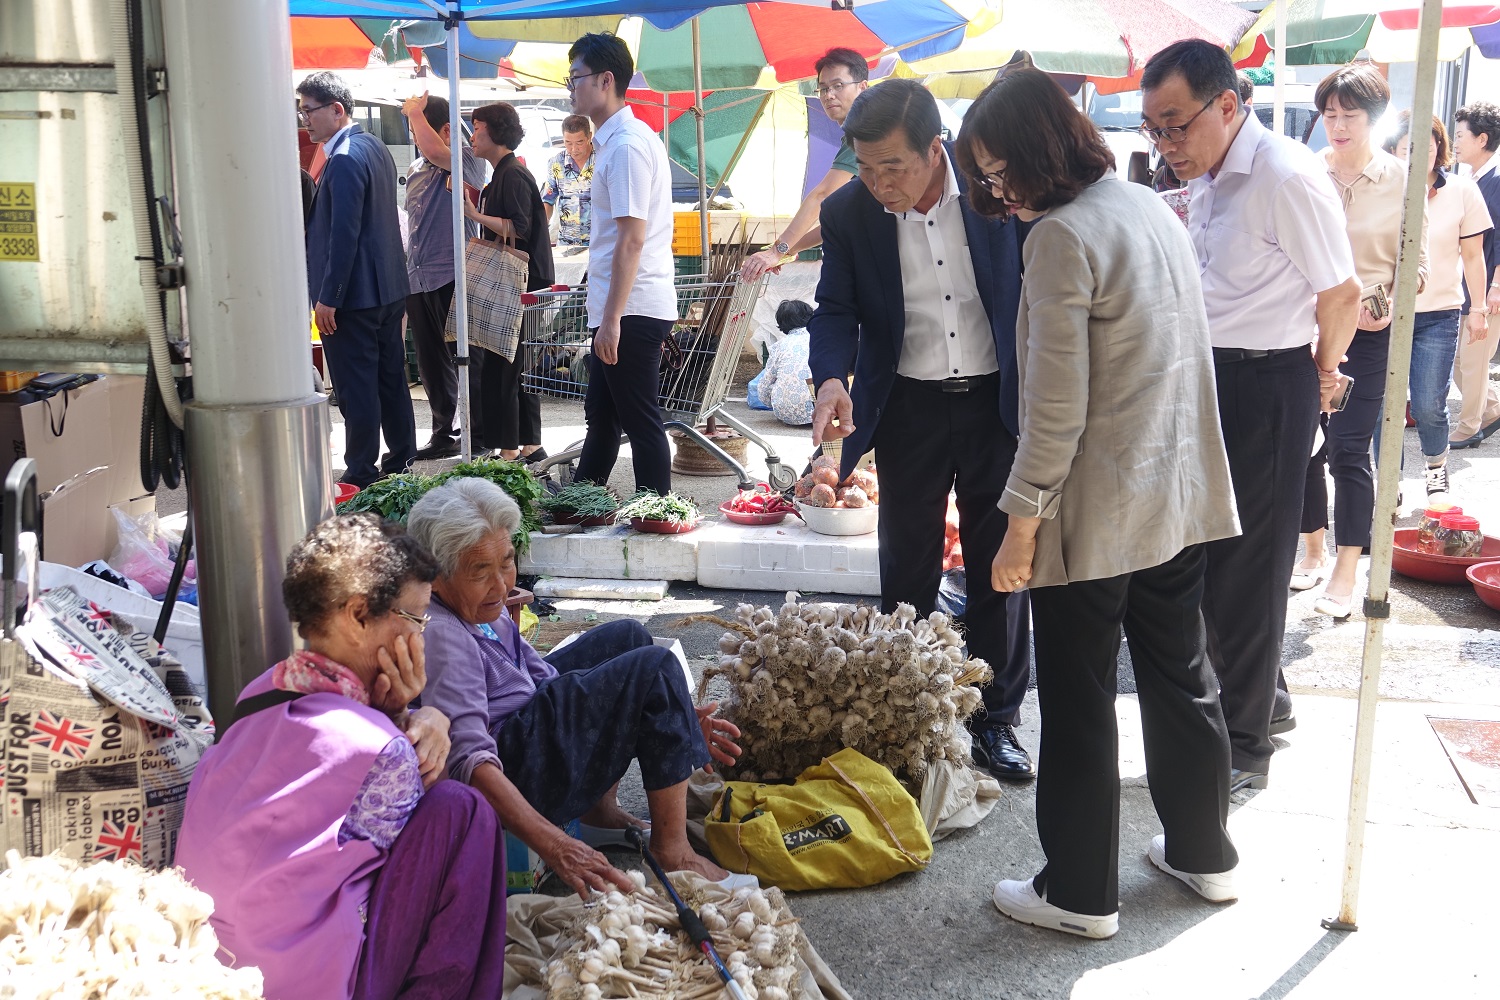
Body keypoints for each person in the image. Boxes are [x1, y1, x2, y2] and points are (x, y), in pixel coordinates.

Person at [960, 67, 1241, 941]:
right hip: (1175, 492)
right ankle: (1204, 853)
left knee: (1079, 699)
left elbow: (1054, 407)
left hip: (1094, 507)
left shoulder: (1059, 235)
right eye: (987, 178)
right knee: (1181, 676)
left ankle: (1080, 893)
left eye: (1000, 172)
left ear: (1039, 151)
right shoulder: (1147, 205)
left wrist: (1020, 525)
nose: (998, 192)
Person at [1140, 41, 1361, 792]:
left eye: (1176, 126)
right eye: (1155, 130)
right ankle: (1269, 701)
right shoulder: (1209, 174)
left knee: (1249, 568)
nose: (1166, 145)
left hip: (1268, 381)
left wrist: (1324, 373)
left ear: (1228, 105)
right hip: (1212, 376)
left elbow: (1341, 293)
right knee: (1212, 554)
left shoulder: (1284, 175)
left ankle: (1243, 747)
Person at [174, 515, 507, 1000]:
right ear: (358, 616)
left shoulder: (256, 695)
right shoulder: (379, 749)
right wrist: (412, 719)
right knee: (464, 810)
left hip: (214, 963)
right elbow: (430, 860)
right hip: (299, 984)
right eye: (417, 618)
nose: (420, 638)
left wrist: (404, 712)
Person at [808, 79, 1035, 782]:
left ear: (936, 149)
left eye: (894, 167)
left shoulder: (996, 192)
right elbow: (834, 308)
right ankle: (907, 706)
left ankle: (996, 717)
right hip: (906, 404)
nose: (880, 184)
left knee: (1000, 561)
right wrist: (831, 377)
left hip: (996, 401)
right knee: (907, 562)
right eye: (866, 167)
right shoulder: (850, 212)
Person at [406, 479, 750, 891]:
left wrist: (668, 718)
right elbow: (469, 759)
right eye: (480, 572)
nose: (501, 585)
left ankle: (598, 812)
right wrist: (554, 845)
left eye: (507, 562)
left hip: (527, 728)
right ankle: (673, 852)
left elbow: (544, 678)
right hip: (513, 772)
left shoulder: (482, 610)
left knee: (628, 638)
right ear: (436, 576)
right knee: (654, 667)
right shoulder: (444, 635)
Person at [1295, 67, 1428, 619]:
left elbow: (1417, 266)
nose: (1339, 126)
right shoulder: (1304, 172)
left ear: (1374, 118)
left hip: (1370, 337)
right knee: (1304, 446)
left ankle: (1348, 569)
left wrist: (1388, 301)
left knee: (1349, 450)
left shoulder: (1402, 180)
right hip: (1301, 331)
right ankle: (1313, 550)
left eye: (1350, 115)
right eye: (1329, 115)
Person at [567, 33, 677, 496]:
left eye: (576, 77)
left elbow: (631, 240)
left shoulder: (627, 145)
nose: (571, 88)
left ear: (605, 80)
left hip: (631, 308)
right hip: (623, 306)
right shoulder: (616, 142)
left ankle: (657, 512)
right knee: (603, 415)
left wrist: (611, 319)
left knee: (639, 419)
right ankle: (581, 500)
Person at [299, 72, 417, 490]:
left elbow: (343, 235)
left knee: (358, 386)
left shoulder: (346, 156)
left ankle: (362, 470)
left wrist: (329, 296)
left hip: (354, 295)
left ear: (336, 110)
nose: (304, 119)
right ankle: (400, 460)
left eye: (309, 110)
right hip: (385, 288)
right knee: (389, 379)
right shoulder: (373, 146)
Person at [1393, 111, 1492, 499]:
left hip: (1438, 314)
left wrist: (1479, 309)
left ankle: (1436, 471)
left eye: (1429, 145)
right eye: (1409, 147)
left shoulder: (1463, 191)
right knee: (1386, 405)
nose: (1420, 153)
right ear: (1393, 150)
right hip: (1386, 316)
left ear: (1440, 148)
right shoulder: (1381, 190)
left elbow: (1473, 256)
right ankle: (1391, 480)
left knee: (1428, 404)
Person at [401, 92, 490, 461]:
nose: (416, 138)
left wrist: (415, 112)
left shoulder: (467, 159)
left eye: (419, 130)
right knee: (430, 361)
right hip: (418, 276)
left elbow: (438, 153)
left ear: (447, 130)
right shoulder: (416, 169)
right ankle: (444, 432)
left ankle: (478, 433)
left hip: (454, 271)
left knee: (466, 357)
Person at [463, 102, 553, 464]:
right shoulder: (504, 172)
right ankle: (527, 446)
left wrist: (475, 214)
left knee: (507, 364)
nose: (473, 136)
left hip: (523, 281)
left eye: (477, 128)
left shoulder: (512, 174)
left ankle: (513, 447)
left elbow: (520, 227)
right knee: (514, 364)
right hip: (520, 280)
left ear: (496, 132)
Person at [741, 48, 869, 281]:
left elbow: (822, 195)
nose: (829, 95)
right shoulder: (860, 131)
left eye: (838, 85)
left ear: (862, 87)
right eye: (823, 88)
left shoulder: (866, 131)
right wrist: (787, 250)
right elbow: (841, 220)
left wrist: (776, 251)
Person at [1451, 101, 1500, 447]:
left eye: (1459, 136)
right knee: (1460, 362)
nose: (1454, 143)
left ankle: (1469, 428)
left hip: (1488, 289)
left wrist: (1496, 287)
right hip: (1469, 286)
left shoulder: (1496, 181)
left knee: (1472, 362)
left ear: (1482, 139)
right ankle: (1492, 408)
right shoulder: (1472, 180)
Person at [758, 299, 816, 426]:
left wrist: (772, 401)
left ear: (781, 323)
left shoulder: (778, 346)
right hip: (823, 410)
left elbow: (764, 387)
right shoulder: (820, 340)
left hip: (785, 412)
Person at [542, 114, 596, 248]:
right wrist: (541, 228)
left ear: (589, 136)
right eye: (568, 143)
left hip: (598, 243)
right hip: (566, 243)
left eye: (579, 142)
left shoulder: (603, 160)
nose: (574, 149)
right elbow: (548, 200)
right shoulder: (556, 163)